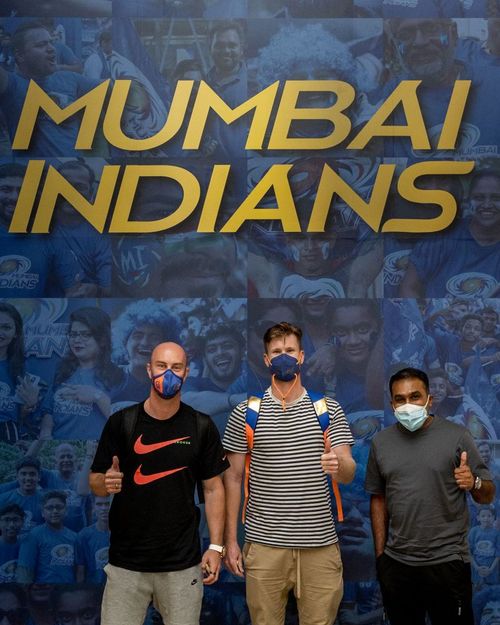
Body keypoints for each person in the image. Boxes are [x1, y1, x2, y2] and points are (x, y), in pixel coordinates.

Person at [223, 321, 356, 625]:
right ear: (267, 360)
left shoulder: (328, 410)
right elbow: (231, 479)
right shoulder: (245, 413)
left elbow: (347, 470)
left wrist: (339, 465)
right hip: (265, 547)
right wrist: (231, 540)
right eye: (277, 351)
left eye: (290, 350)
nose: (284, 356)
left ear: (302, 356)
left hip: (320, 548)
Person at [89, 341, 229, 625]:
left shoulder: (201, 426)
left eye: (176, 367)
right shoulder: (121, 422)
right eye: (162, 366)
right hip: (126, 565)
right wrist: (106, 482)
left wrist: (215, 547)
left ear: (187, 372)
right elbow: (96, 481)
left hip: (182, 566)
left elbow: (214, 489)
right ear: (148, 369)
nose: (169, 374)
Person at [365, 367, 496, 625]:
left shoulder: (457, 436)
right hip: (398, 564)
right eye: (400, 399)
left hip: (448, 563)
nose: (408, 404)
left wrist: (474, 481)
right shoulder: (381, 442)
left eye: (415, 396)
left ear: (429, 399)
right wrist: (381, 557)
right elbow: (378, 497)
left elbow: (487, 495)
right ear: (392, 404)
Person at [0, 22, 101, 156]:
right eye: (41, 45)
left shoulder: (70, 78)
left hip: (74, 170)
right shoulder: (12, 84)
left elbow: (115, 89)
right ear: (20, 55)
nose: (52, 49)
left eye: (51, 42)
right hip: (34, 173)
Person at [0, 163, 84, 298]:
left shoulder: (49, 236)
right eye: (5, 189)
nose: (15, 197)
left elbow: (75, 290)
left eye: (22, 190)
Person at [40, 307, 123, 440]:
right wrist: (46, 432)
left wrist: (97, 396)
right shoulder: (63, 370)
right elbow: (48, 410)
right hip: (58, 449)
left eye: (86, 335)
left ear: (102, 340)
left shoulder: (117, 375)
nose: (77, 340)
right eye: (73, 334)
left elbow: (123, 422)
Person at [16, 490, 79, 583]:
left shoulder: (75, 537)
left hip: (68, 592)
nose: (55, 511)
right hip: (43, 591)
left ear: (66, 511)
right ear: (42, 512)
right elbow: (25, 570)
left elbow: (78, 570)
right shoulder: (33, 536)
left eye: (59, 507)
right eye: (49, 508)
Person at [0, 302, 41, 441]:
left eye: (6, 327)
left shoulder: (23, 369)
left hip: (8, 431)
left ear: (16, 333)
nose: (0, 332)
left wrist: (29, 405)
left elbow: (22, 416)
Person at [0, 503, 24, 582]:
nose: (11, 525)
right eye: (6, 520)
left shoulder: (27, 546)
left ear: (22, 522)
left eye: (16, 520)